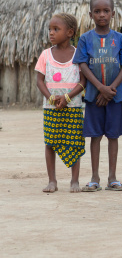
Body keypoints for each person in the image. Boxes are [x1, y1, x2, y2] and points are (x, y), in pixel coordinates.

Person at [74, 0, 122, 192]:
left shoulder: (121, 39)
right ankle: (95, 177)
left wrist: (111, 89)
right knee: (95, 136)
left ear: (113, 14)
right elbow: (83, 64)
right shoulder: (85, 39)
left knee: (113, 136)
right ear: (90, 15)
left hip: (115, 96)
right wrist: (100, 88)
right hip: (93, 96)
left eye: (106, 11)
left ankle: (112, 177)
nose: (102, 15)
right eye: (97, 11)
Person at [35, 13, 86, 193]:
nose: (51, 33)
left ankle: (75, 181)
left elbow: (83, 82)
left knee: (75, 142)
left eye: (56, 29)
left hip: (73, 107)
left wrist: (67, 97)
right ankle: (52, 181)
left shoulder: (78, 55)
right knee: (50, 142)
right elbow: (40, 81)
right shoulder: (45, 55)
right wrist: (51, 97)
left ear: (70, 32)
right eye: (50, 29)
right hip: (51, 107)